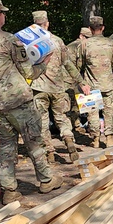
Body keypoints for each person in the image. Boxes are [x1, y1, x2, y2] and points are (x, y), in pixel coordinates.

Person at [0, 0, 62, 203]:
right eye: (2, 13)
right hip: (19, 100)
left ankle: (9, 190)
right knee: (34, 141)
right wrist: (44, 63)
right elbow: (28, 71)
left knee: (5, 146)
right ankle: (46, 180)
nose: (4, 16)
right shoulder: (9, 40)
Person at [29, 10, 90, 162]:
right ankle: (69, 139)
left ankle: (49, 152)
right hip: (58, 87)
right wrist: (81, 82)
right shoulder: (57, 41)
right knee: (62, 117)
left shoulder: (29, 43)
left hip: (38, 88)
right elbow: (68, 64)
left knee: (42, 121)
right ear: (47, 24)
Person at [77, 17, 113, 147]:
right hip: (108, 83)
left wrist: (81, 82)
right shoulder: (111, 43)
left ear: (90, 29)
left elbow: (80, 65)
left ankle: (95, 139)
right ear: (103, 28)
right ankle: (110, 138)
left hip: (90, 84)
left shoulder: (84, 44)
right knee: (110, 110)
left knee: (92, 112)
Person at [66, 27, 93, 133]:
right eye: (86, 38)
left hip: (71, 77)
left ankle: (75, 125)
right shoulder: (78, 46)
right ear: (81, 36)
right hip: (72, 78)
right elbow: (79, 65)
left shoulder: (71, 46)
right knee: (75, 103)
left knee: (73, 103)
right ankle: (75, 126)